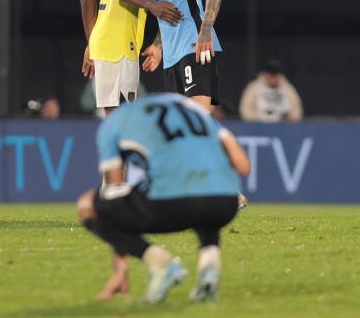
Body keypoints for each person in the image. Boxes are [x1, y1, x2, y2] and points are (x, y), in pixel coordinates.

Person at [76, 93, 250, 302]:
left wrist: (120, 267)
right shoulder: (191, 108)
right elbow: (243, 166)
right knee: (202, 193)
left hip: (171, 204)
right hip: (225, 203)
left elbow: (114, 189)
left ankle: (161, 263)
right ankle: (209, 268)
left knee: (88, 204)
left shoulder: (113, 122)